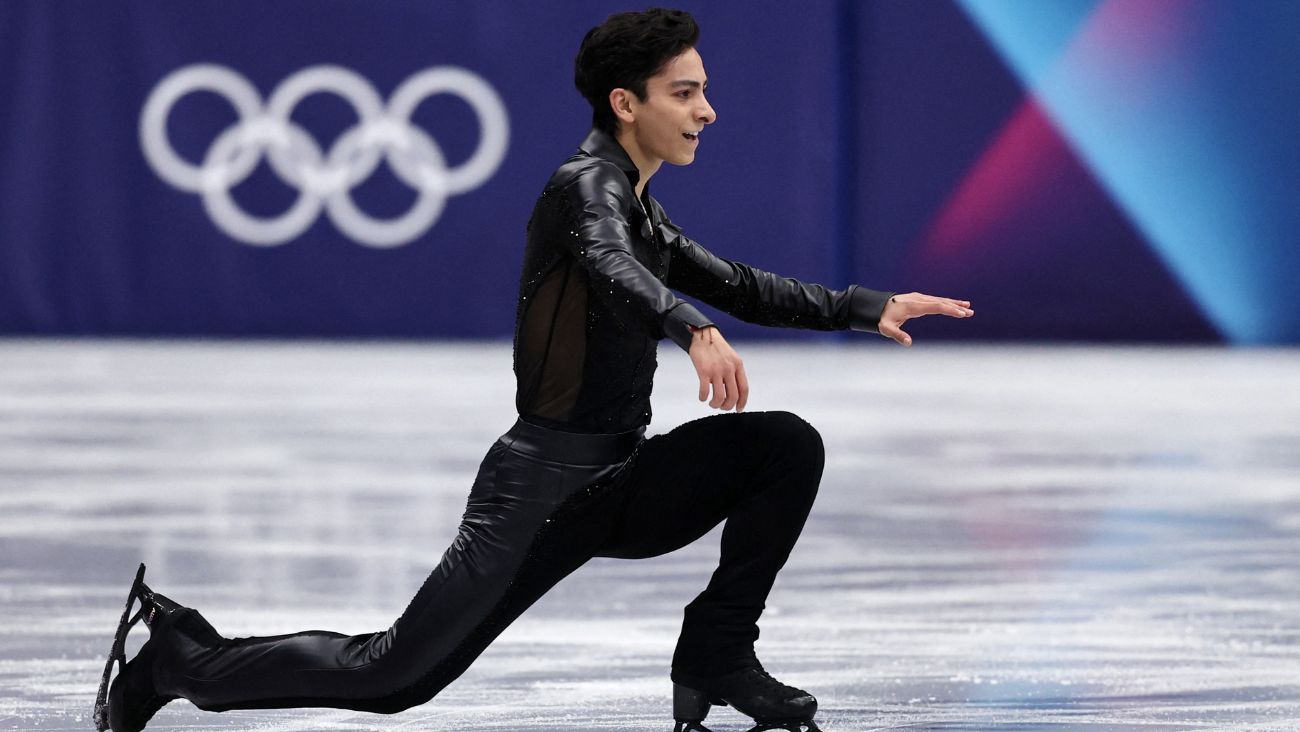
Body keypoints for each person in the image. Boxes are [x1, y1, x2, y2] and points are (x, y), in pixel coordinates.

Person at [94, 8, 973, 732]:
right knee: (393, 677)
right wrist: (688, 327)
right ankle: (183, 658)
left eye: (703, 92)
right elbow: (613, 270)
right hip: (540, 493)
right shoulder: (584, 191)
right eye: (687, 93)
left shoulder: (638, 203)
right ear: (627, 103)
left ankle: (716, 651)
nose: (707, 111)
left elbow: (740, 283)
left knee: (784, 447)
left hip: (618, 478)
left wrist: (865, 305)